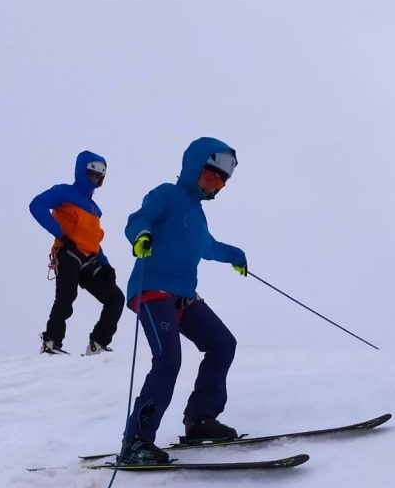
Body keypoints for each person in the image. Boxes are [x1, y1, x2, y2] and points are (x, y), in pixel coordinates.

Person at [119, 137, 247, 466]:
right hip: (152, 289)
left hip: (184, 296)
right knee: (168, 359)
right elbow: (138, 219)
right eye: (211, 174)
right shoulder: (167, 194)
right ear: (193, 168)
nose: (216, 183)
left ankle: (200, 419)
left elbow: (207, 247)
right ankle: (136, 442)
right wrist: (141, 236)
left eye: (222, 180)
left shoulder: (198, 215)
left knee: (222, 343)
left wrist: (236, 256)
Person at [29, 150, 124, 356]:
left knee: (116, 298)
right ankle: (51, 343)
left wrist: (105, 263)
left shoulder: (94, 209)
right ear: (82, 172)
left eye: (100, 176)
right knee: (66, 295)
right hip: (68, 252)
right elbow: (37, 205)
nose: (96, 179)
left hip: (89, 260)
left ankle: (97, 345)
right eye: (92, 174)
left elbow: (93, 240)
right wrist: (60, 235)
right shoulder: (64, 192)